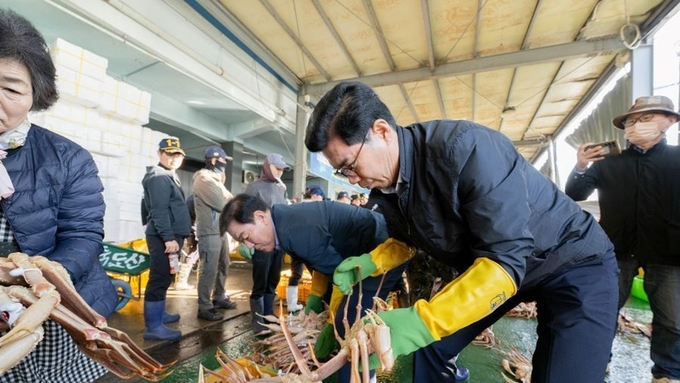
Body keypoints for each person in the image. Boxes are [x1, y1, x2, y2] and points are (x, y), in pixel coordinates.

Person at [305, 81, 619, 383]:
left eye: (350, 165)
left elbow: (507, 258)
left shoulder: (467, 149)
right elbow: (407, 241)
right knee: (430, 346)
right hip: (495, 268)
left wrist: (422, 321)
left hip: (572, 261)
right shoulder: (385, 190)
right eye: (341, 172)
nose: (351, 179)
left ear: (382, 131)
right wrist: (373, 261)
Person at [0, 8, 118, 382]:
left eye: (11, 89)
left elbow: (83, 234)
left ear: (36, 94)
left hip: (52, 307)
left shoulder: (68, 158)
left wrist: (53, 280)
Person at [220, 193, 413, 382]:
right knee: (344, 322)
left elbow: (342, 278)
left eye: (246, 236)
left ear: (261, 217)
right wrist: (316, 294)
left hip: (383, 249)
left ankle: (361, 377)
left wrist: (331, 325)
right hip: (355, 254)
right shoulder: (283, 222)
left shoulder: (293, 231)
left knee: (352, 323)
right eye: (241, 241)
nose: (249, 245)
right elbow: (321, 262)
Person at [565, 95, 680, 383]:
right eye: (631, 121)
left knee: (672, 319)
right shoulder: (608, 163)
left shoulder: (677, 159)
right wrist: (580, 166)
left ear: (669, 121)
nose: (636, 125)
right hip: (616, 249)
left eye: (645, 119)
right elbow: (575, 194)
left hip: (669, 252)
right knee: (602, 312)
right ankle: (597, 360)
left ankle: (665, 372)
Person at [141, 136, 192, 341]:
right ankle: (153, 326)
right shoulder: (159, 177)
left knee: (165, 277)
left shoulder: (168, 175)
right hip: (164, 237)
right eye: (169, 154)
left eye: (177, 155)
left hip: (170, 236)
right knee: (159, 278)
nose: (174, 158)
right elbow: (159, 210)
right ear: (160, 154)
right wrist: (168, 237)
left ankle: (160, 314)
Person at [244, 153, 290, 334]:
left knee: (273, 280)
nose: (279, 172)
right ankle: (257, 320)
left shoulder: (281, 188)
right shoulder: (253, 187)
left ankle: (269, 314)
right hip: (261, 242)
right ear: (266, 166)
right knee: (260, 282)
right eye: (276, 168)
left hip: (278, 243)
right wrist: (247, 240)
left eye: (282, 169)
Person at [193, 145, 238, 321]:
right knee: (209, 269)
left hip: (220, 229)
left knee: (223, 264)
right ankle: (204, 307)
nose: (224, 163)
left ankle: (219, 297)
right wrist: (230, 202)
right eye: (222, 160)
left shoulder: (216, 180)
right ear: (212, 160)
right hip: (209, 231)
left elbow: (232, 199)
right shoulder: (203, 178)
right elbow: (221, 203)